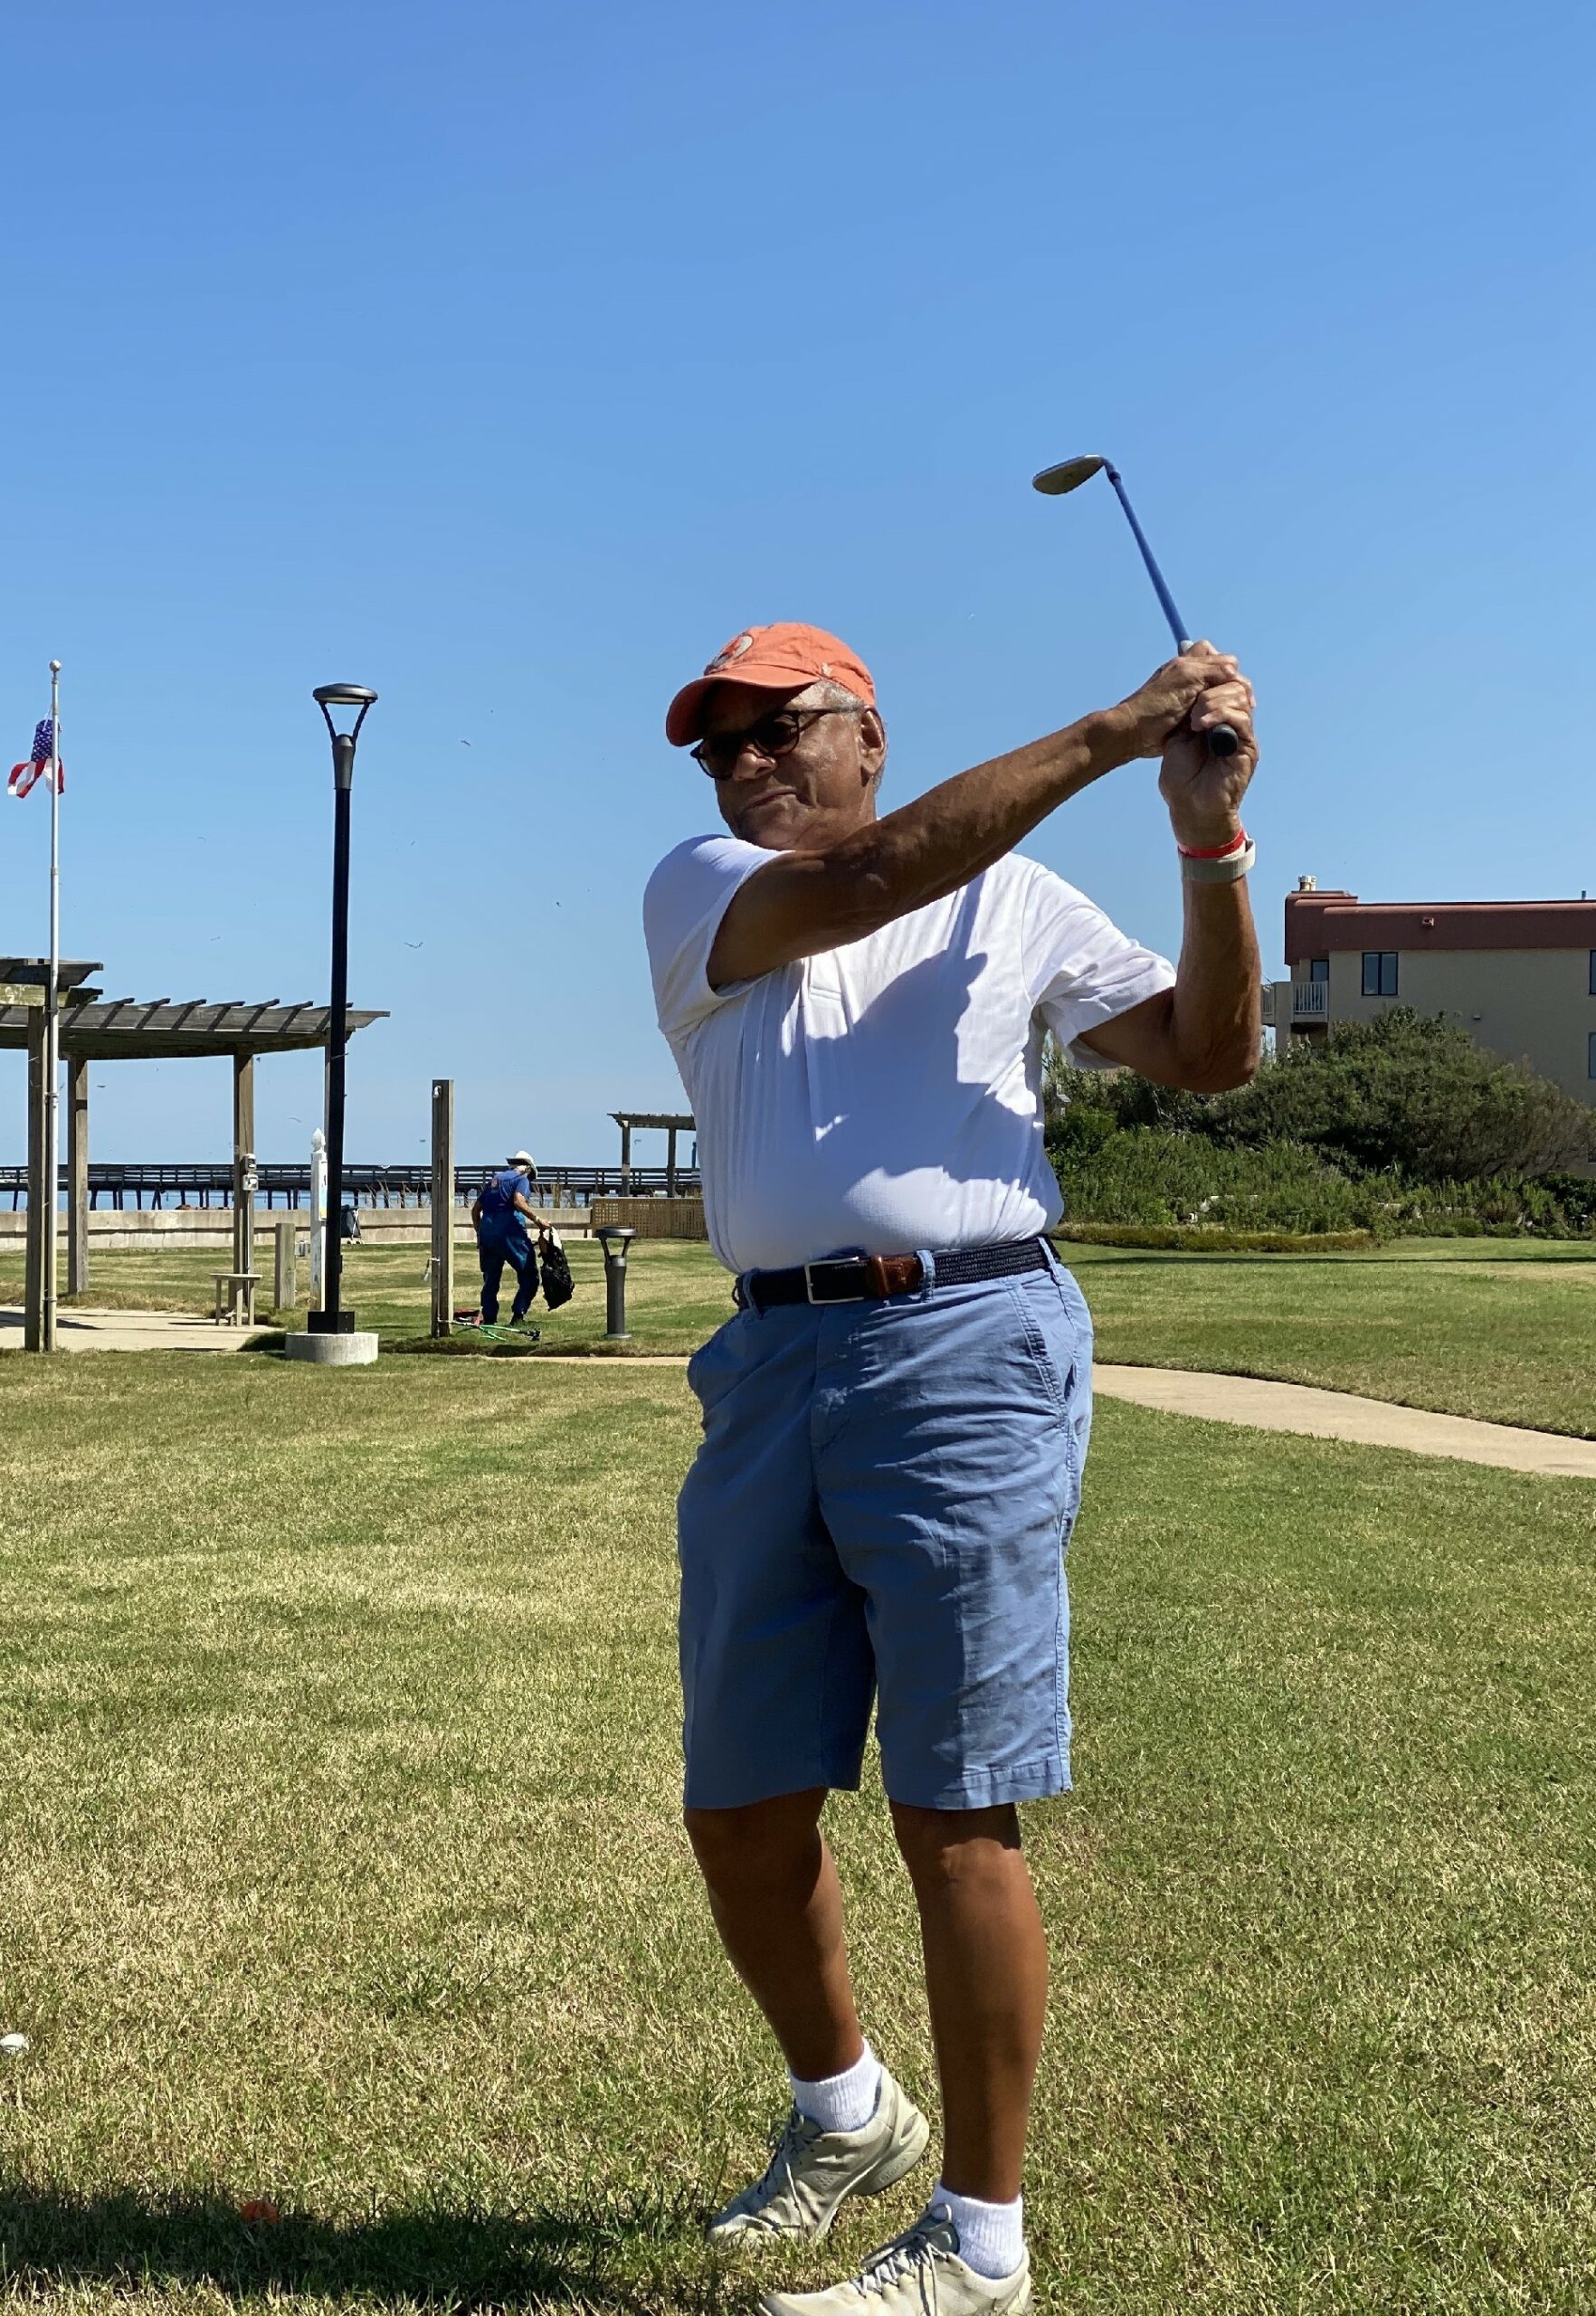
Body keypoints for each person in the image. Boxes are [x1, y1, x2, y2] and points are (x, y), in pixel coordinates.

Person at [642, 622, 1261, 2315]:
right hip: (768, 1360)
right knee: (740, 1804)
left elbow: (1210, 1056)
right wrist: (1118, 727)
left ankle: (978, 2239)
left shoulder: (1022, 903)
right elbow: (866, 881)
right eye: (721, 744)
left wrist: (1206, 843)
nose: (744, 762)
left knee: (953, 1804)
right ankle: (842, 2113)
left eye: (780, 729)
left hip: (963, 1344)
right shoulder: (707, 882)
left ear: (867, 730)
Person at [470, 1150, 554, 1325]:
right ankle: (518, 1314)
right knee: (529, 1274)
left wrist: (480, 1234)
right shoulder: (521, 1178)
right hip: (509, 1230)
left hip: (487, 1231)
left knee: (490, 1277)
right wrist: (538, 1220)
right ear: (528, 1169)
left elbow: (475, 1210)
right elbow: (518, 1201)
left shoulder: (495, 1180)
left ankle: (489, 1318)